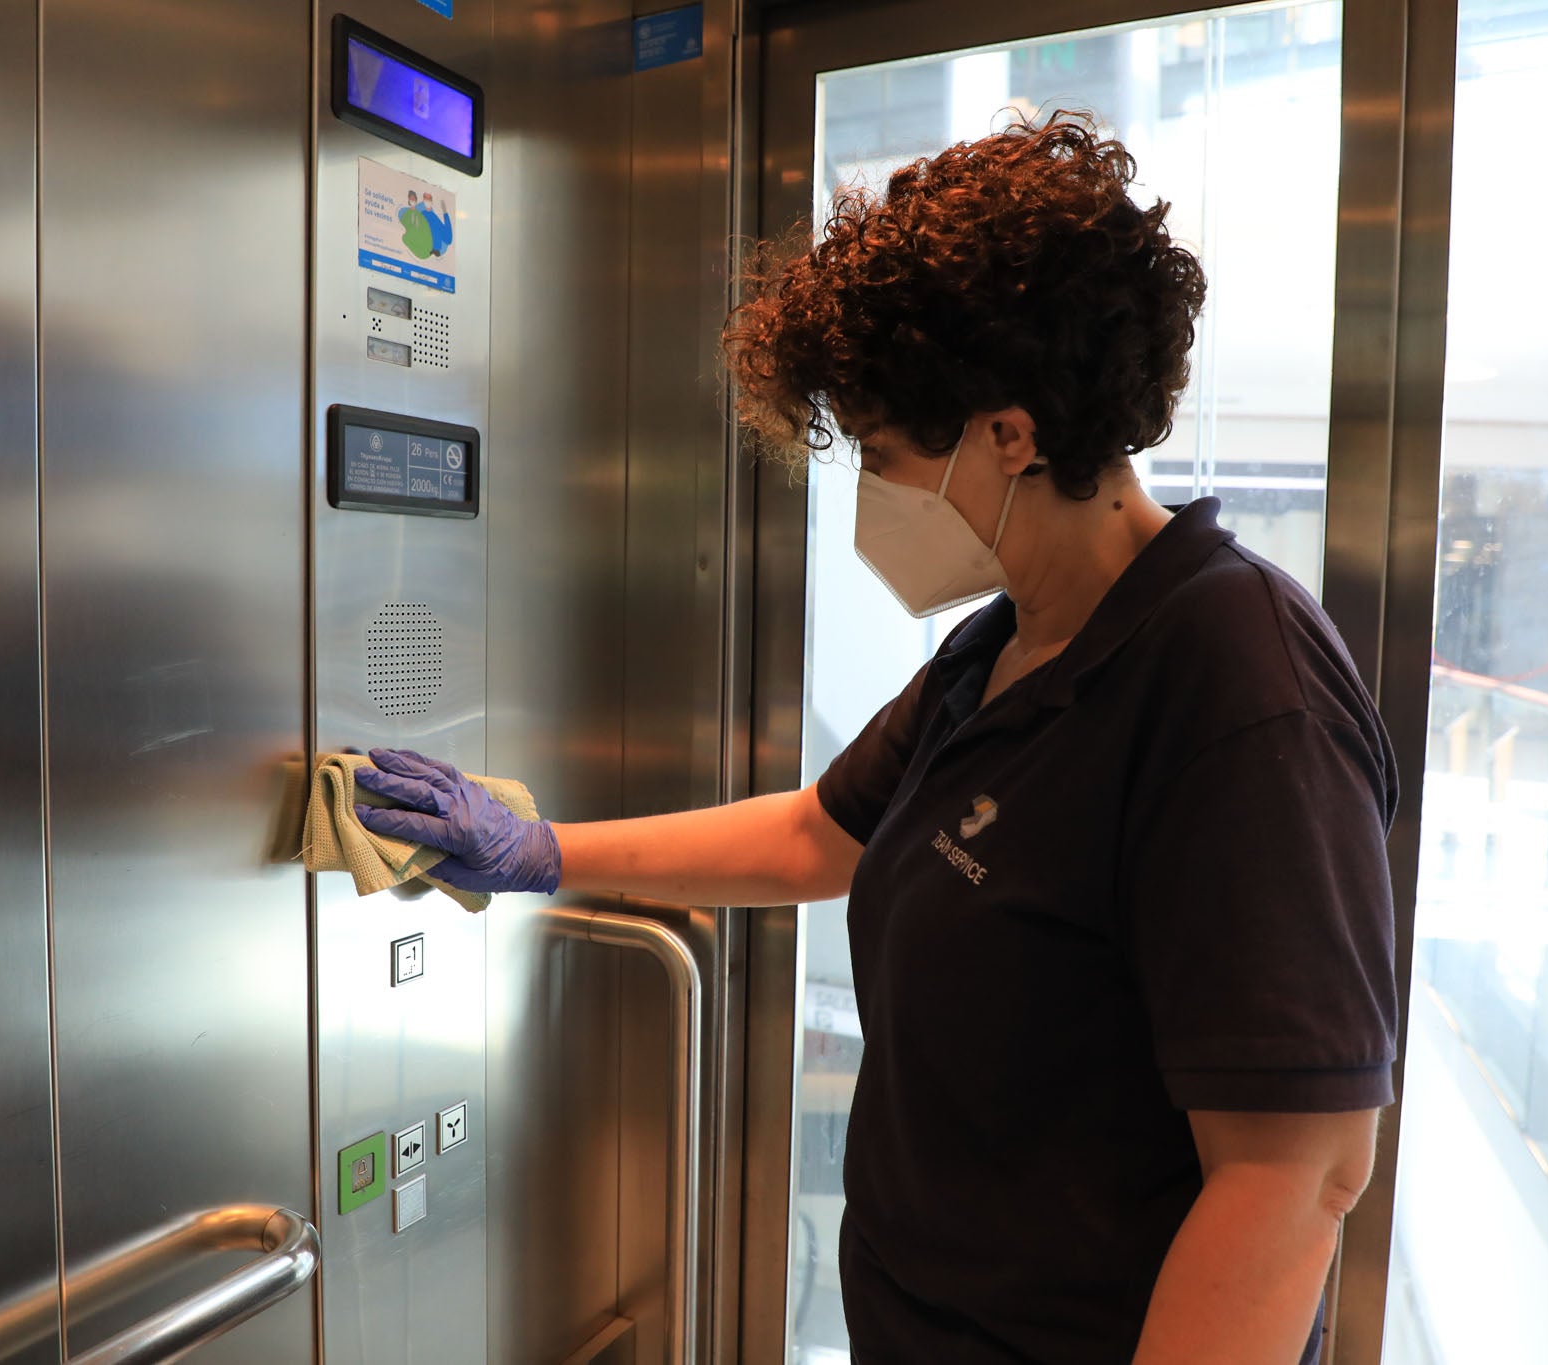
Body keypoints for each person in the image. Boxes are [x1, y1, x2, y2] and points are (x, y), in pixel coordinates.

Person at [351, 112, 1398, 1365]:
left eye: (889, 454)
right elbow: (814, 834)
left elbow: (1298, 1176)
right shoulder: (1011, 644)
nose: (875, 491)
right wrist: (537, 848)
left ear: (1009, 436)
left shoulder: (1234, 686)